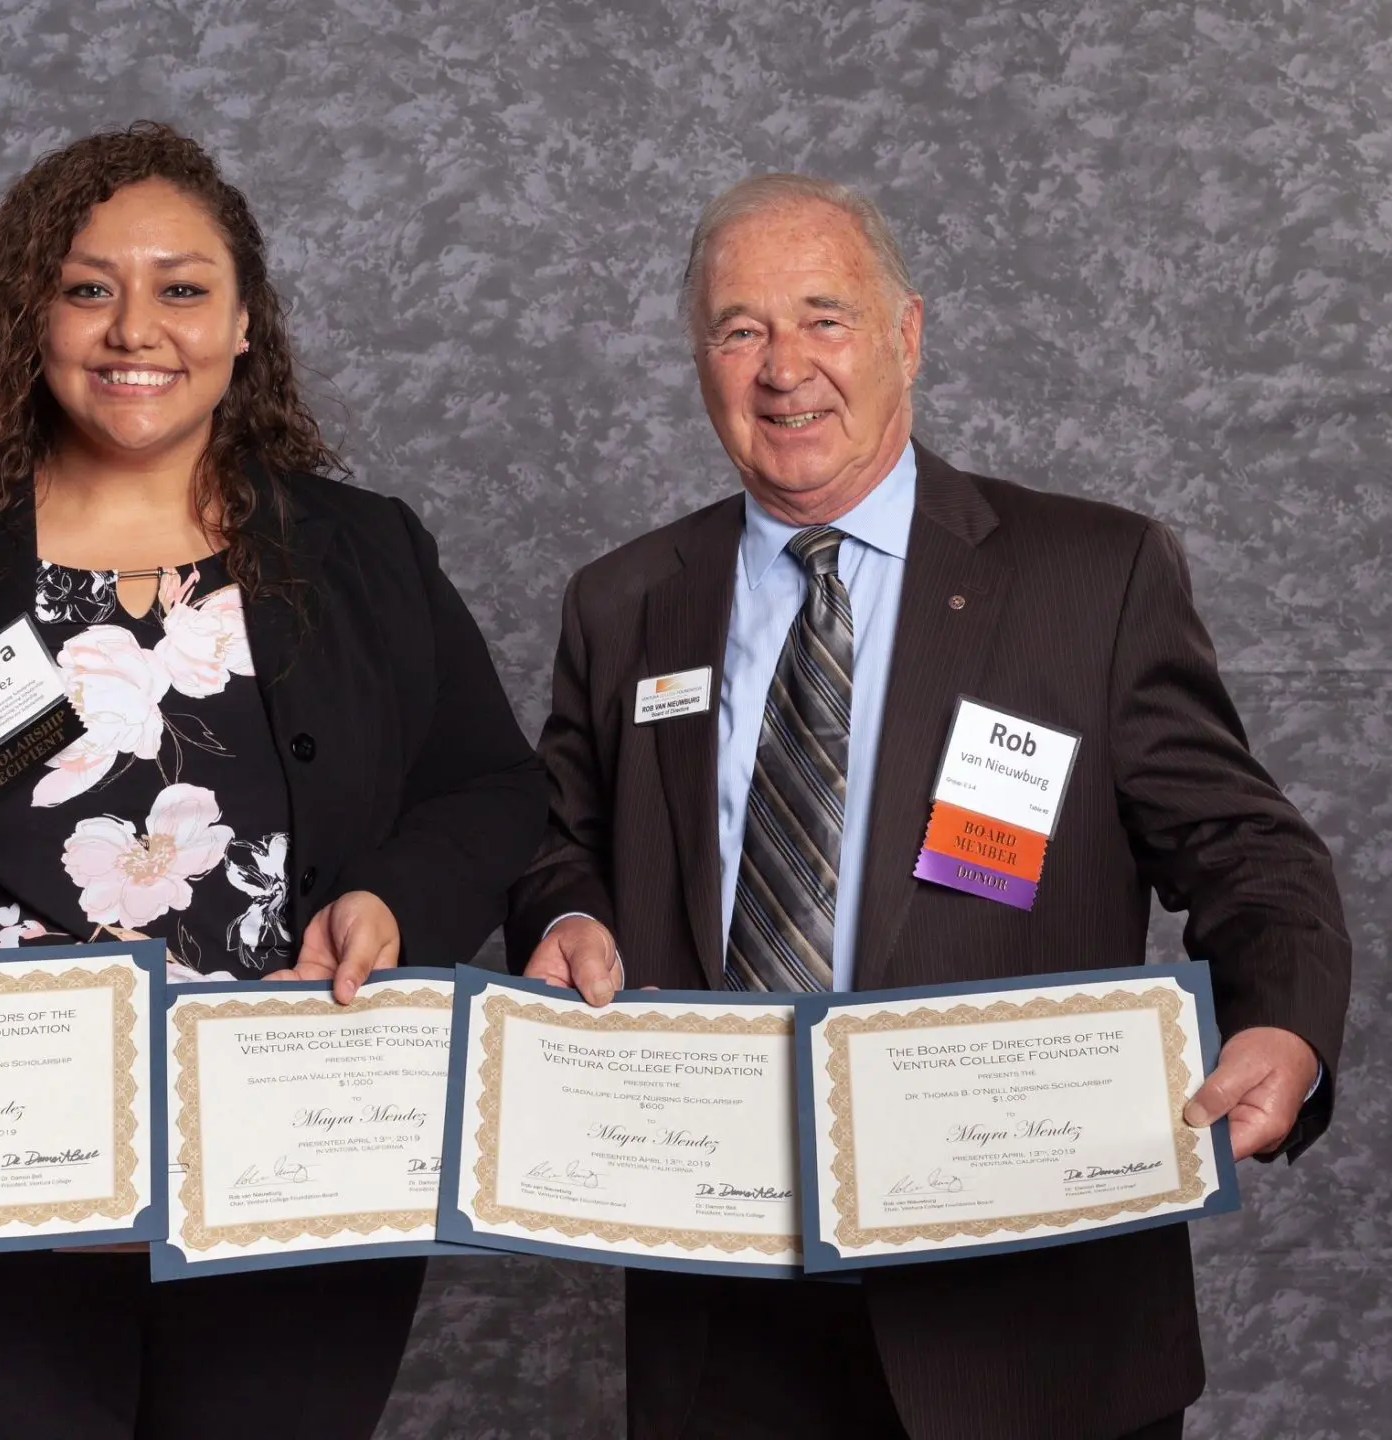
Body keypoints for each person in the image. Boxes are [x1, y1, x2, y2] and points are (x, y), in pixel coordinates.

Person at [0, 121, 547, 1440]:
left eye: (182, 288)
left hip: (293, 1198)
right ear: (32, 317)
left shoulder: (361, 553)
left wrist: (395, 906)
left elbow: (486, 788)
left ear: (243, 326)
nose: (136, 329)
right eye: (86, 286)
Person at [506, 173, 1350, 1440]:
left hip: (1027, 1318)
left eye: (822, 318)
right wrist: (564, 908)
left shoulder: (1090, 573)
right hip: (723, 1304)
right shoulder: (625, 600)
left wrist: (1283, 1023)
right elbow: (556, 840)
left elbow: (1241, 846)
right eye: (739, 329)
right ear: (698, 361)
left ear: (906, 333)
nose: (783, 368)